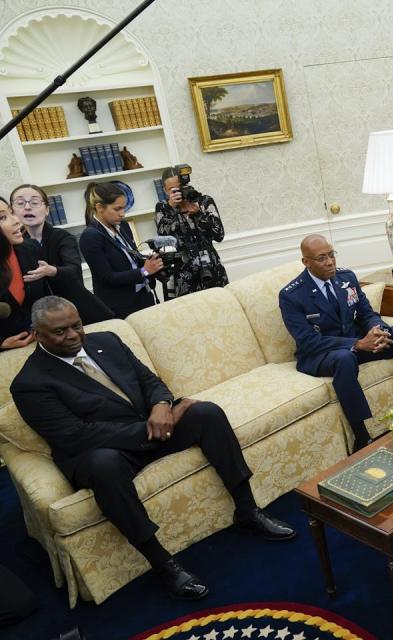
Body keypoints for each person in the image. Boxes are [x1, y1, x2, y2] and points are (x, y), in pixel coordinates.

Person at [10, 296, 296, 600]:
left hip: (152, 425)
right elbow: (76, 436)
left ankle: (248, 511)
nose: (73, 336)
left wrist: (162, 406)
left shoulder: (106, 340)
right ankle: (162, 563)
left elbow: (149, 381)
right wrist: (154, 429)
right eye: (60, 332)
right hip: (103, 450)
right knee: (104, 467)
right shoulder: (30, 382)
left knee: (206, 413)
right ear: (38, 334)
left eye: (76, 325)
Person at [279, 234, 393, 450]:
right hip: (322, 354)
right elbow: (308, 341)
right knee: (345, 357)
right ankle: (361, 436)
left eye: (331, 254)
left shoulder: (346, 278)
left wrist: (377, 330)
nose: (330, 261)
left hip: (360, 344)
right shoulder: (292, 295)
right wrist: (357, 344)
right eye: (322, 258)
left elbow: (365, 313)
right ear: (306, 262)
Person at [9, 185, 113, 324]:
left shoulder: (63, 237)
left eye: (34, 203)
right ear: (12, 212)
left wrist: (52, 271)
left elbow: (74, 270)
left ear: (46, 210)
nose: (27, 207)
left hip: (77, 309)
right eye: (20, 203)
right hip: (41, 317)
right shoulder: (14, 245)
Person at [79, 182, 162, 319]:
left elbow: (130, 258)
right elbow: (107, 277)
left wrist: (151, 262)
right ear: (99, 207)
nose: (122, 214)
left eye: (123, 208)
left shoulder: (123, 225)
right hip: (120, 306)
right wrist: (144, 271)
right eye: (117, 209)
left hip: (143, 296)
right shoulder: (90, 236)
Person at [154, 167, 228, 298]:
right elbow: (163, 238)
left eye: (180, 187)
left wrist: (199, 214)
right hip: (183, 272)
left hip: (211, 266)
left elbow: (219, 234)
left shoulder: (204, 201)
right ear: (165, 191)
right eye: (173, 190)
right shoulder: (163, 208)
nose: (179, 192)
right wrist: (172, 208)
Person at [0, 195, 43, 350]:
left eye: (12, 212)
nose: (16, 220)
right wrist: (1, 343)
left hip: (42, 344)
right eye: (2, 218)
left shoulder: (30, 248)